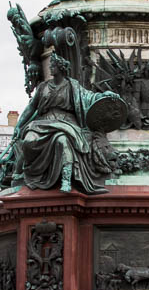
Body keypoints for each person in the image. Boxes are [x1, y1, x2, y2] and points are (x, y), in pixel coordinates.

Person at [11, 52, 121, 194]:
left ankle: (66, 179)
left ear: (60, 68)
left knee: (63, 141)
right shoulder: (43, 87)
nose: (50, 68)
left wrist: (104, 95)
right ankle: (27, 173)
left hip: (66, 123)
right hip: (44, 123)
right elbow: (31, 107)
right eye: (50, 65)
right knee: (28, 141)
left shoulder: (72, 86)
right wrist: (19, 126)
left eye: (53, 65)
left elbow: (89, 97)